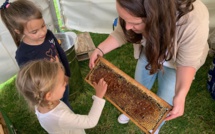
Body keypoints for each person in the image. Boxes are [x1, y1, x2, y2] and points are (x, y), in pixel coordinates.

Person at [89, 0, 209, 133]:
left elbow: (187, 62)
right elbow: (122, 32)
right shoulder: (132, 12)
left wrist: (181, 95)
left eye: (135, 23)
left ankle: (154, 125)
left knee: (164, 100)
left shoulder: (194, 19)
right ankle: (132, 111)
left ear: (156, 16)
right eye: (124, 19)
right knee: (138, 87)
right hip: (150, 51)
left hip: (177, 64)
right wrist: (100, 49)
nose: (127, 26)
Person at [0, 0, 72, 109]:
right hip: (48, 94)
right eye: (34, 32)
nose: (42, 32)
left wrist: (67, 74)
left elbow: (61, 53)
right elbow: (31, 83)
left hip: (61, 82)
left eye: (43, 26)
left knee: (65, 104)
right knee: (56, 112)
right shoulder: (23, 54)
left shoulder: (49, 35)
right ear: (18, 31)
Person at [16, 59, 107, 134]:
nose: (66, 82)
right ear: (49, 95)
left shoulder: (39, 100)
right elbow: (90, 121)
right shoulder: (61, 117)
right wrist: (98, 97)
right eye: (62, 83)